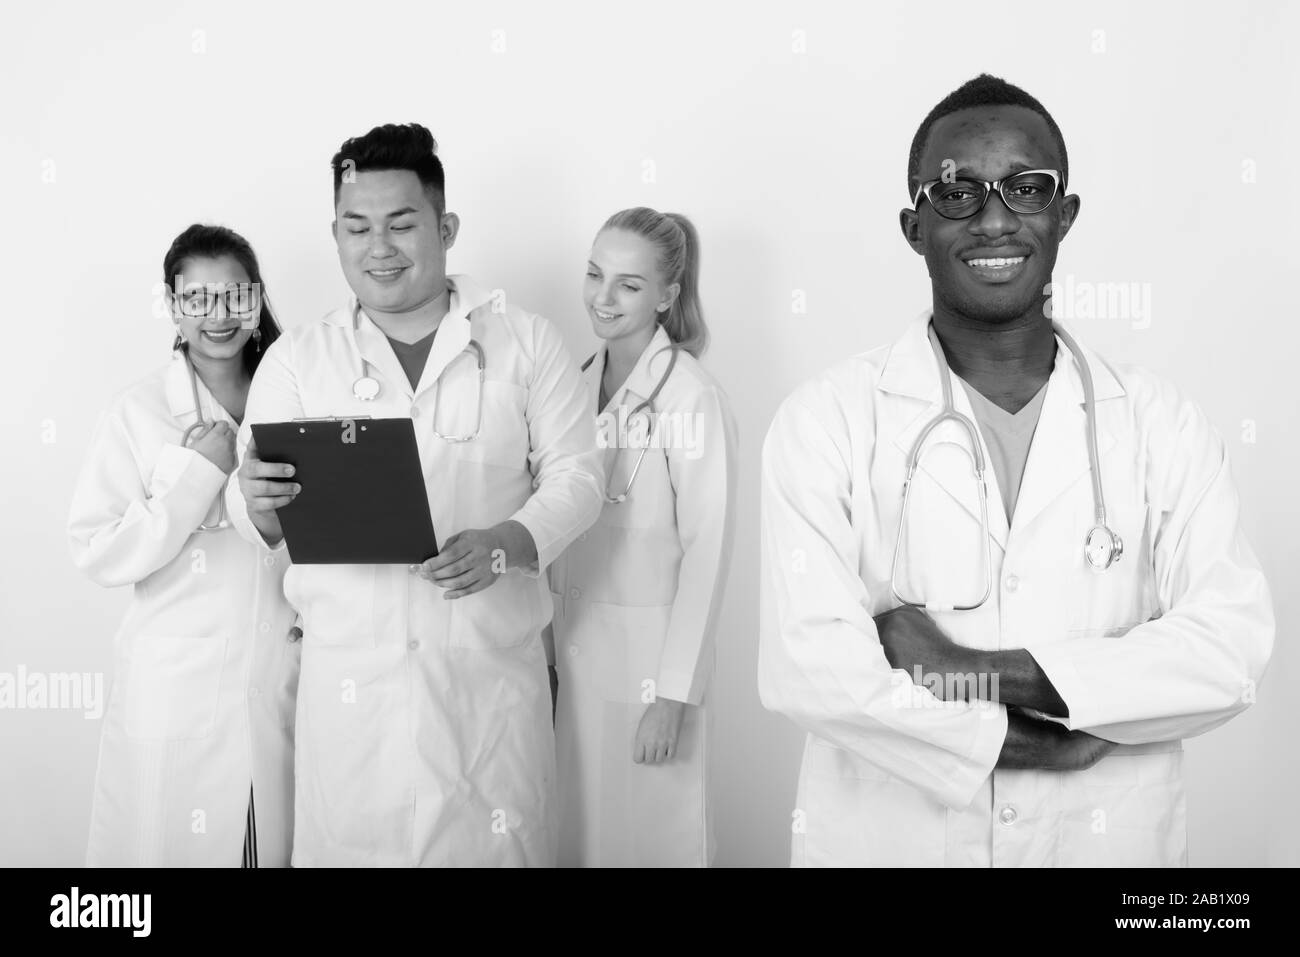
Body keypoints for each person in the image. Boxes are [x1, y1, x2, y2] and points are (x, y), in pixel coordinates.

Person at [758, 74, 1275, 867]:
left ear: (1063, 214)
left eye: (1027, 188)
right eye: (957, 191)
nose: (995, 216)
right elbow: (812, 671)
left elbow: (1227, 650)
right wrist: (1028, 740)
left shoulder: (1159, 422)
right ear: (914, 224)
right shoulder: (827, 419)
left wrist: (968, 671)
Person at [228, 123, 603, 867]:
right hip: (350, 697)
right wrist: (257, 499)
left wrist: (510, 542)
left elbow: (580, 477)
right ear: (335, 235)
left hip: (487, 689)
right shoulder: (298, 359)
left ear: (445, 226)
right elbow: (251, 510)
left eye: (402, 223)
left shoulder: (525, 342)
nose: (380, 246)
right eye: (356, 227)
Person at [68, 224, 298, 866]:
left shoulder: (296, 397)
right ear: (172, 307)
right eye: (196, 298)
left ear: (257, 300)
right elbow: (97, 550)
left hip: (281, 676)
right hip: (176, 687)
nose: (217, 315)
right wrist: (192, 478)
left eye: (234, 296)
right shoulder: (137, 411)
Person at [544, 208, 737, 867]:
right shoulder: (569, 385)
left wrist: (674, 695)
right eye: (595, 275)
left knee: (649, 840)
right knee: (579, 836)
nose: (603, 297)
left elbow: (708, 555)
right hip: (569, 659)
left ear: (667, 295)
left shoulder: (690, 397)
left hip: (649, 666)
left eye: (628, 284)